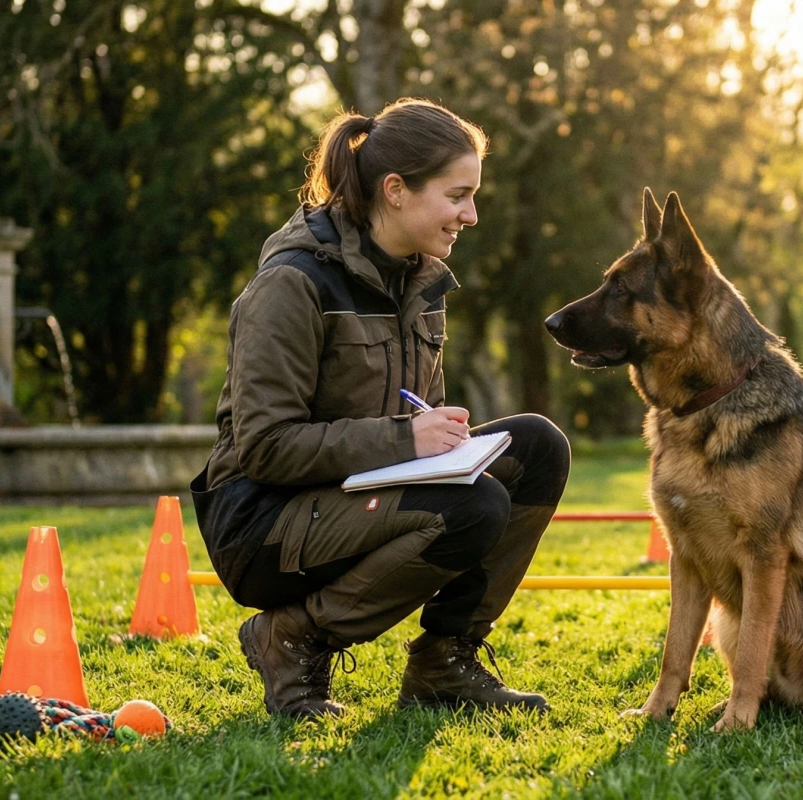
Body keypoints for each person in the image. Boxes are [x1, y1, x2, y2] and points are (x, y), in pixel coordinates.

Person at [190, 98, 570, 720]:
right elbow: (263, 447)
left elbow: (417, 417)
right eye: (458, 196)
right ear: (396, 190)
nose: (470, 215)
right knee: (475, 506)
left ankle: (446, 662)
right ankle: (290, 636)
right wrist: (405, 439)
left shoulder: (423, 281)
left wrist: (441, 440)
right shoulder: (292, 284)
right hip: (261, 525)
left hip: (355, 496)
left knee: (536, 448)